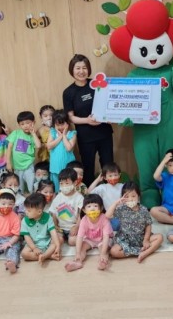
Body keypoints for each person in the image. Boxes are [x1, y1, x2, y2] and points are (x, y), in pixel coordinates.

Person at [63, 54, 113, 187]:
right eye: (77, 68)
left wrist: (111, 117)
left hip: (104, 133)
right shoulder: (68, 92)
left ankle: (109, 192)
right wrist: (87, 120)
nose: (81, 71)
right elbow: (71, 117)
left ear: (89, 69)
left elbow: (110, 104)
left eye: (84, 68)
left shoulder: (98, 84)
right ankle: (90, 198)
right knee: (88, 167)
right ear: (72, 70)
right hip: (86, 136)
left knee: (108, 165)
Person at [106, 181, 163, 262]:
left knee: (160, 237)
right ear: (122, 197)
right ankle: (138, 252)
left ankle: (145, 253)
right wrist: (116, 202)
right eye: (127, 197)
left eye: (133, 196)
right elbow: (107, 216)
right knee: (114, 251)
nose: (130, 199)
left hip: (141, 238)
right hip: (125, 240)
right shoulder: (121, 209)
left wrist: (146, 239)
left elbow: (148, 225)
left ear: (138, 196)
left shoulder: (143, 209)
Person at [65, 194, 112, 271]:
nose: (92, 209)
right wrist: (77, 252)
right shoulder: (84, 220)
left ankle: (103, 262)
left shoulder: (104, 218)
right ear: (84, 210)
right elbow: (80, 236)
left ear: (101, 208)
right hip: (89, 239)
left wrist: (103, 253)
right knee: (81, 249)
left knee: (104, 250)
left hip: (102, 239)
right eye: (89, 206)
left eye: (95, 206)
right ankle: (78, 262)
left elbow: (106, 237)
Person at [6, 111, 41, 194]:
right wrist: (8, 162)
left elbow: (39, 146)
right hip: (17, 166)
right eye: (22, 124)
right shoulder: (16, 133)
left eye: (28, 123)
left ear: (33, 123)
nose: (25, 126)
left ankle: (33, 197)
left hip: (28, 165)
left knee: (31, 184)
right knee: (19, 186)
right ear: (19, 125)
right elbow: (9, 148)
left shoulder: (33, 136)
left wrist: (33, 134)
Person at [21, 193, 60, 263]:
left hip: (47, 242)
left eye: (29, 210)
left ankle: (44, 256)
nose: (26, 212)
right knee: (24, 254)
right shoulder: (24, 220)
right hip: (33, 244)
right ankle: (48, 256)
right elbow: (27, 237)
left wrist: (58, 246)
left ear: (39, 211)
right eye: (26, 209)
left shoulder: (48, 217)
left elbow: (53, 232)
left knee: (58, 240)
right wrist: (34, 248)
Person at [49, 168, 83, 246]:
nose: (64, 186)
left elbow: (81, 215)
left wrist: (77, 226)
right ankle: (55, 252)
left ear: (75, 182)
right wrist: (55, 226)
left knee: (72, 241)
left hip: (73, 226)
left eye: (67, 183)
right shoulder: (58, 197)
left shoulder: (79, 197)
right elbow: (53, 213)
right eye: (61, 183)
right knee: (57, 241)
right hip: (60, 227)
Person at [46, 109, 77, 191]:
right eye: (57, 125)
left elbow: (69, 148)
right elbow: (49, 146)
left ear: (67, 123)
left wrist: (64, 135)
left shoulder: (72, 133)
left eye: (62, 124)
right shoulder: (52, 132)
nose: (60, 127)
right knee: (56, 190)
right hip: (55, 168)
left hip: (68, 168)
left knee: (69, 189)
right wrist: (60, 137)